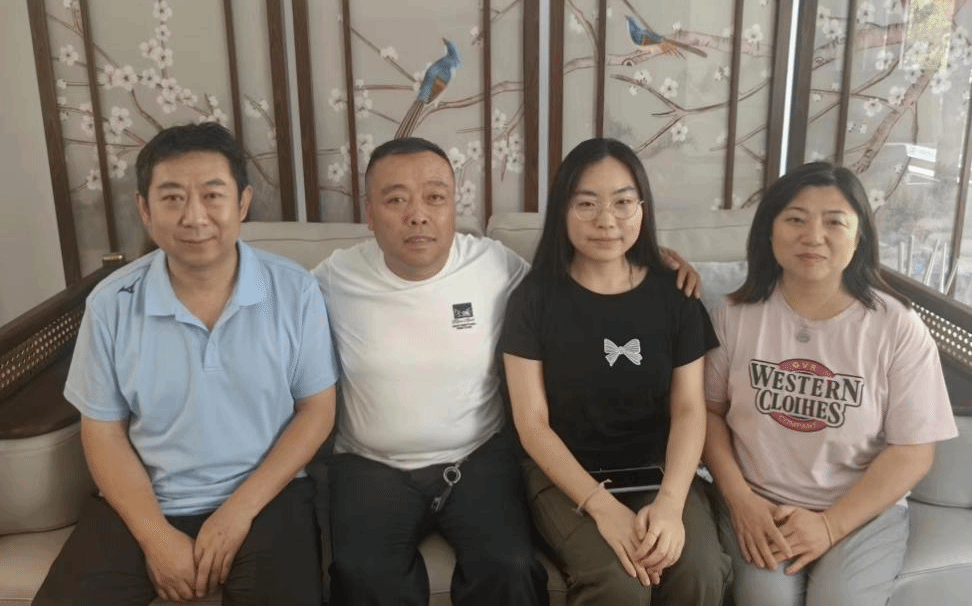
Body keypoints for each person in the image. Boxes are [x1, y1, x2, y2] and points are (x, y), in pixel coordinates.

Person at [313, 137, 700, 605]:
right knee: (363, 574)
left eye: (434, 197)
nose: (417, 215)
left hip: (475, 459)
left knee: (510, 567)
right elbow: (271, 308)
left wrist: (653, 259)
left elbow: (582, 273)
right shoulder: (331, 278)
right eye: (396, 200)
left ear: (454, 206)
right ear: (369, 213)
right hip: (371, 464)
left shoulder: (494, 265)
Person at [33, 122, 338, 606]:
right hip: (147, 501)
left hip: (266, 500)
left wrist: (237, 512)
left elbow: (317, 411)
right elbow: (103, 432)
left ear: (242, 203)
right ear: (145, 209)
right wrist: (155, 536)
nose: (195, 217)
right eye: (173, 198)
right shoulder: (112, 303)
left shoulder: (293, 290)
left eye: (213, 196)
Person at [702, 161, 958, 606]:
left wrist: (828, 526)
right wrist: (740, 499)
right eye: (795, 219)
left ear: (859, 236)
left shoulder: (896, 326)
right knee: (765, 599)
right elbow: (707, 411)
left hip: (860, 508)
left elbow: (914, 450)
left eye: (834, 222)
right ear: (769, 231)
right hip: (760, 502)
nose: (813, 236)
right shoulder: (735, 314)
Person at [500, 137, 731, 606]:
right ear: (562, 211)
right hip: (564, 474)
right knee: (619, 582)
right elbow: (532, 424)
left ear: (642, 208)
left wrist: (670, 503)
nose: (606, 221)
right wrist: (601, 507)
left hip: (657, 468)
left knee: (699, 570)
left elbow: (689, 409)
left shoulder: (676, 294)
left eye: (623, 203)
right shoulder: (533, 299)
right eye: (586, 204)